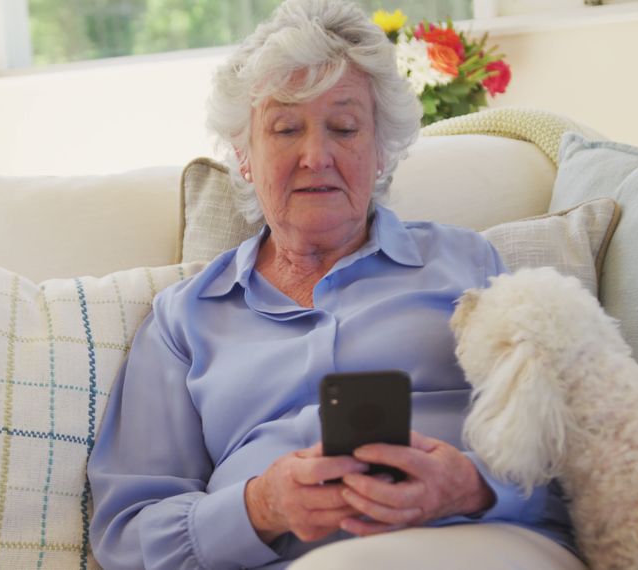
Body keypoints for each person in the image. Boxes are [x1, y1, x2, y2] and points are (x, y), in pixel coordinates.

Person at [87, 0, 580, 568]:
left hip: (475, 546)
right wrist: (259, 508)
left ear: (379, 152)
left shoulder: (470, 266)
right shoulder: (183, 320)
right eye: (285, 128)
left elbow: (574, 460)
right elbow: (128, 533)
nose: (315, 156)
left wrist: (471, 486)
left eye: (344, 128)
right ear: (244, 157)